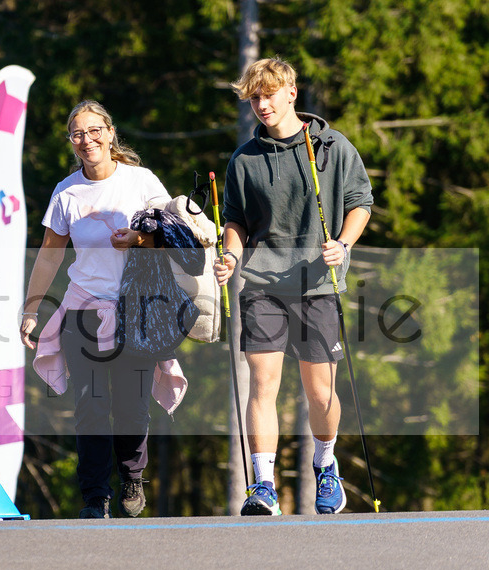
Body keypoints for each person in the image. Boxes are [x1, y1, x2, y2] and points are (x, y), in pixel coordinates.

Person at [214, 58, 373, 515]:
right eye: (253, 98)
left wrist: (343, 244)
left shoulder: (333, 146)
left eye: (268, 95)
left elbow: (360, 202)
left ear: (290, 93)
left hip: (318, 284)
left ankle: (326, 466)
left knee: (320, 392)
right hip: (262, 283)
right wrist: (230, 256)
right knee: (262, 386)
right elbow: (238, 222)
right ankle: (263, 484)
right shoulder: (244, 160)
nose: (261, 105)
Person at [20, 100, 193, 519]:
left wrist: (137, 238)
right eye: (78, 134)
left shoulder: (141, 181)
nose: (87, 140)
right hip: (83, 311)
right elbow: (49, 255)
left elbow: (175, 233)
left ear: (111, 133)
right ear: (71, 142)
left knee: (132, 406)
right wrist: (30, 310)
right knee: (91, 406)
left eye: (95, 130)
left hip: (138, 310)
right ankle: (95, 497)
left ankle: (133, 476)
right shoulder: (66, 192)